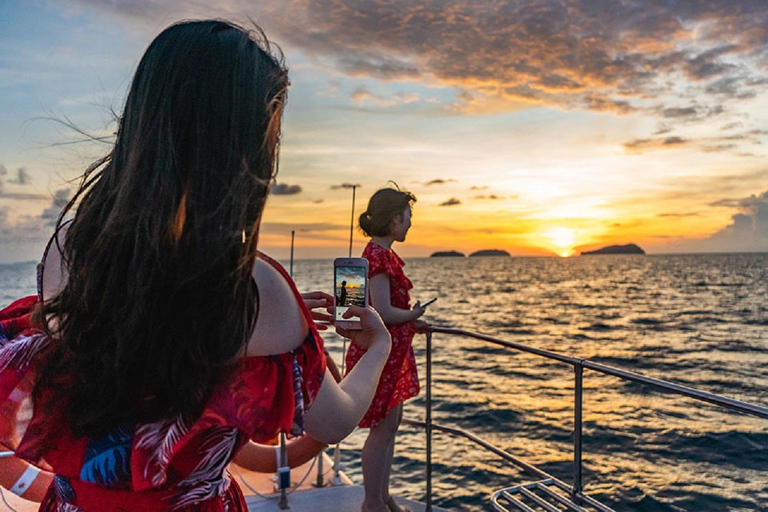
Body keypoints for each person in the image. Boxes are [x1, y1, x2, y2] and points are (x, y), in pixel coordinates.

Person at [0, 20, 391, 511]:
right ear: (247, 144)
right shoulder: (255, 289)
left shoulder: (68, 248)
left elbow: (136, 345)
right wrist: (378, 344)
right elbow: (333, 422)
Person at [346, 187, 429, 512]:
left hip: (388, 353)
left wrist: (409, 323)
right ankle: (372, 503)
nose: (409, 224)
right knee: (382, 431)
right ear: (395, 219)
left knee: (390, 427)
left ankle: (382, 496)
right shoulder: (378, 257)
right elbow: (382, 311)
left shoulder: (377, 254)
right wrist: (414, 315)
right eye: (407, 218)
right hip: (380, 354)